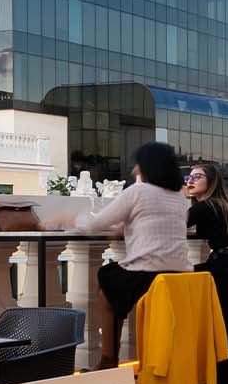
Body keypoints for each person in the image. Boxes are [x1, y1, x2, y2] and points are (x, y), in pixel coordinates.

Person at [45, 141, 190, 368]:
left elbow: (93, 224)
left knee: (108, 281)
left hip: (147, 276)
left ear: (148, 167)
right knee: (114, 288)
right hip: (181, 278)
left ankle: (108, 359)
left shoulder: (138, 192)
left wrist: (62, 220)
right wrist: (126, 228)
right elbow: (157, 223)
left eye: (137, 165)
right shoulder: (180, 198)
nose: (134, 171)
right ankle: (113, 357)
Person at [184, 164, 228, 261]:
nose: (190, 181)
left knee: (174, 272)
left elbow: (175, 225)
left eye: (197, 177)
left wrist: (176, 194)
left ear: (211, 181)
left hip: (224, 265)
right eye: (188, 178)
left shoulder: (206, 206)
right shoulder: (224, 204)